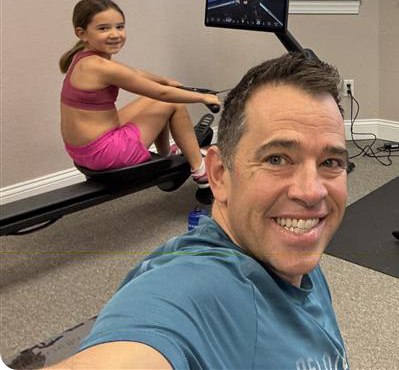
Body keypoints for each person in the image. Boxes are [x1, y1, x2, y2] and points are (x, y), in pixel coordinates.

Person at [52, 53, 350, 370]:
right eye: (276, 159)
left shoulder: (291, 249)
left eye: (330, 162)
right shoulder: (190, 289)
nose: (312, 192)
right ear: (219, 174)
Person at [59, 0, 219, 185]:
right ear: (82, 33)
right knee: (172, 103)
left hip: (83, 151)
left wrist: (165, 81)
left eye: (119, 27)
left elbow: (134, 73)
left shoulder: (84, 57)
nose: (115, 34)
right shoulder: (100, 67)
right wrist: (203, 97)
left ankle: (166, 155)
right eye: (103, 28)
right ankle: (200, 170)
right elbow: (162, 94)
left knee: (152, 101)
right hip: (104, 153)